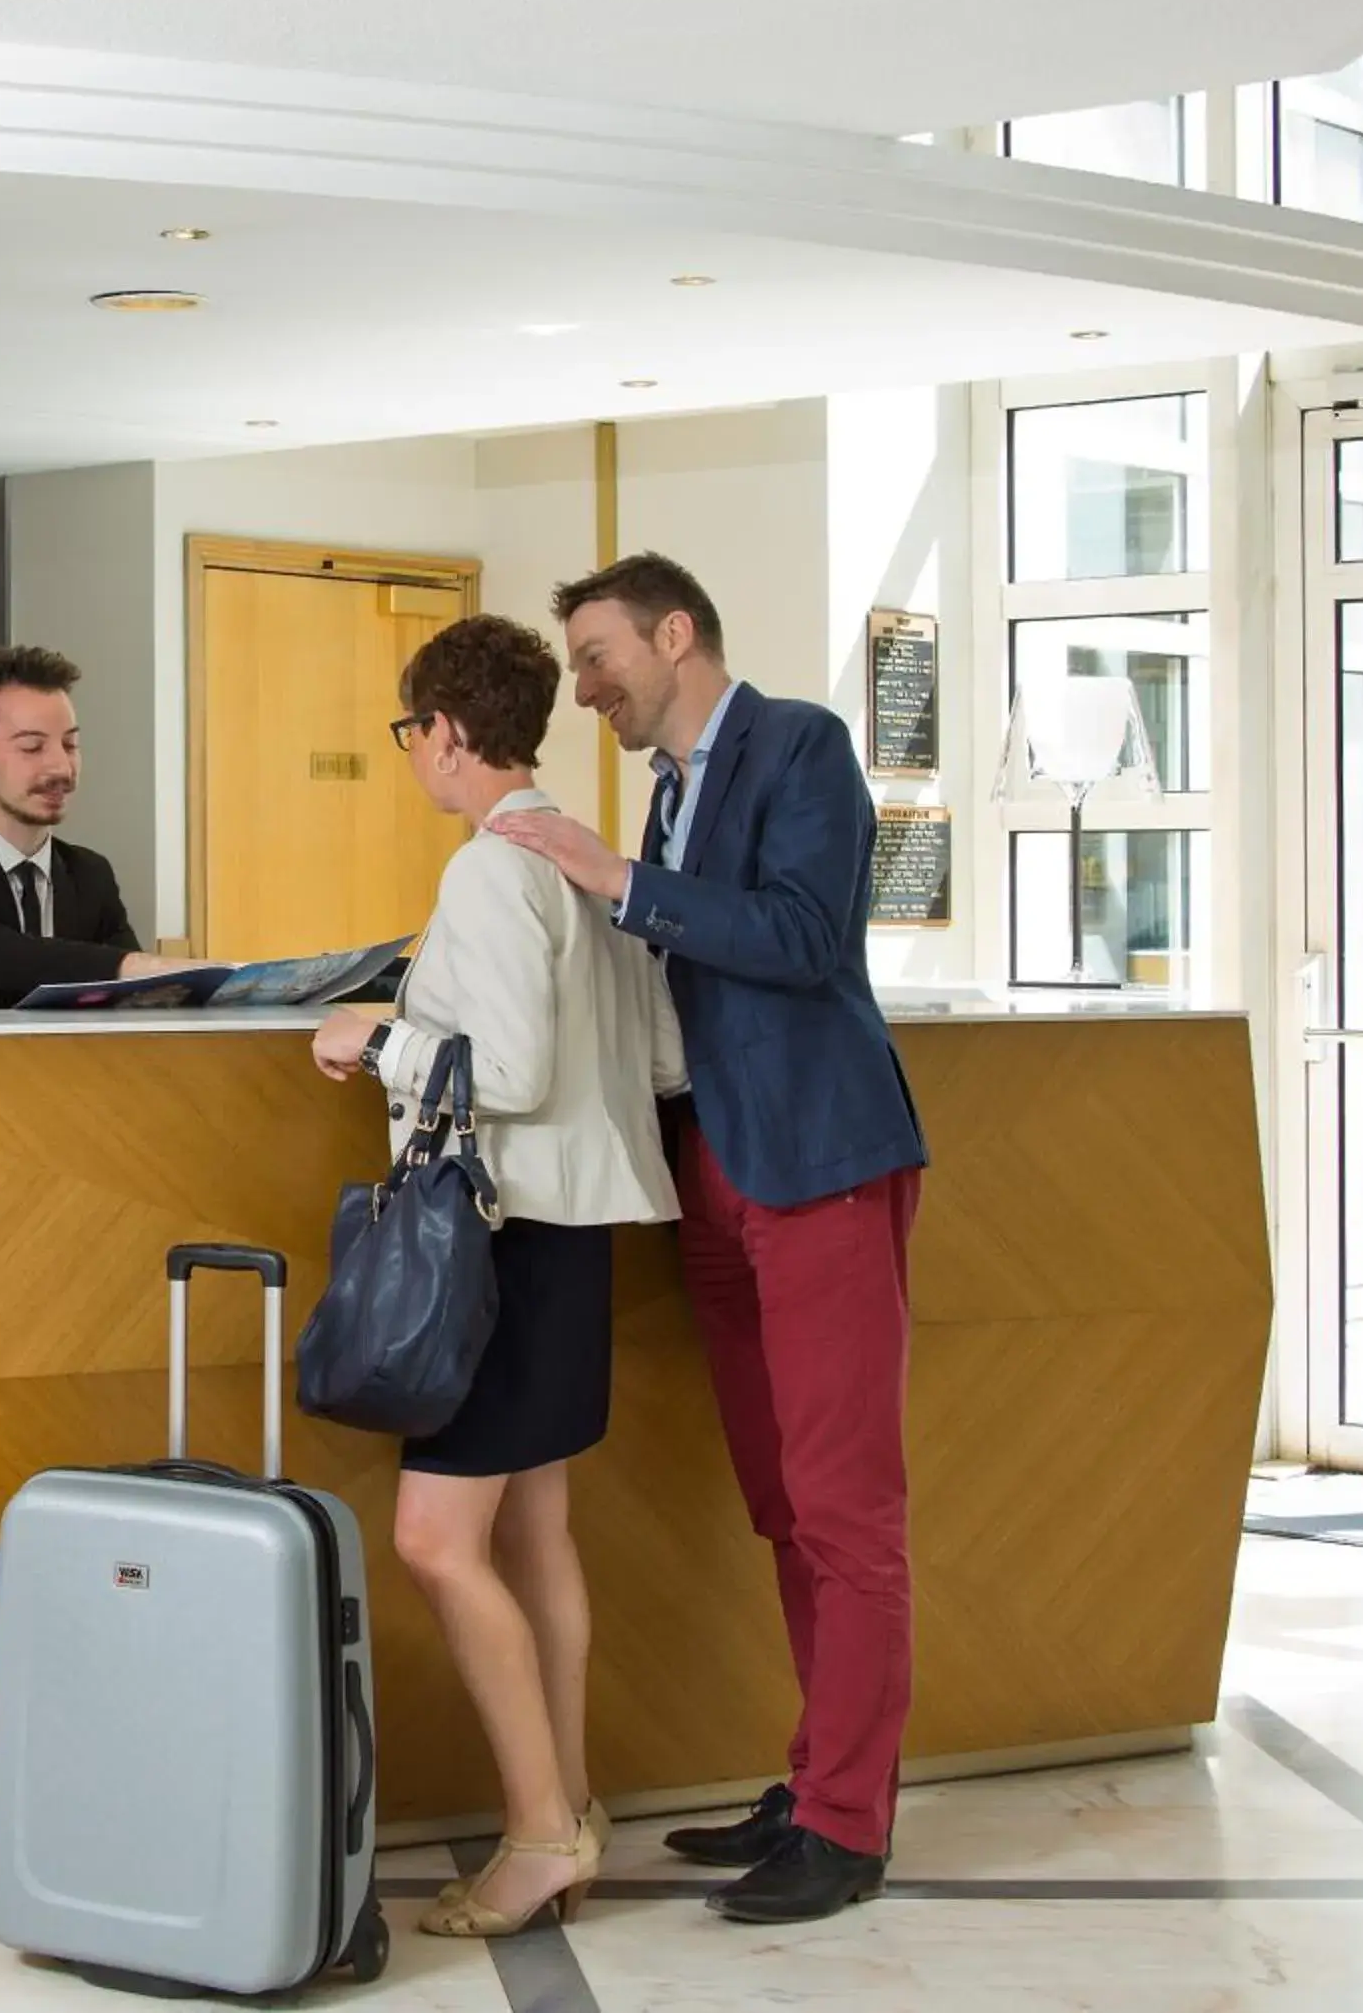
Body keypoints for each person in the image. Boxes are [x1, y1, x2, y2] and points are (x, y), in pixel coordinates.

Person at [491, 552, 929, 1926]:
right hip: (716, 1175)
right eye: (575, 661)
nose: (586, 684)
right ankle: (810, 1784)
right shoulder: (668, 792)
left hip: (820, 1163)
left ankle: (849, 1823)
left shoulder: (799, 743)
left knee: (848, 1511)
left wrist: (610, 871)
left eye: (600, 652)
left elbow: (804, 936)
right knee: (784, 1503)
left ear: (677, 634)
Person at [308, 612, 686, 1939]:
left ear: (451, 732)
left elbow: (504, 1074)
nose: (413, 752)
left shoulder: (491, 867)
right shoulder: (579, 853)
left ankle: (533, 1832)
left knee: (433, 1538)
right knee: (533, 1532)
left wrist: (381, 1038)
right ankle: (568, 1807)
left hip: (502, 1236)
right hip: (570, 1233)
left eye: (414, 730)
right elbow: (652, 1059)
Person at [0, 645, 197, 1011]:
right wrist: (129, 965)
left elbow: (133, 1002)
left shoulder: (90, 875)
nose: (61, 767)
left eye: (70, 744)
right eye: (32, 747)